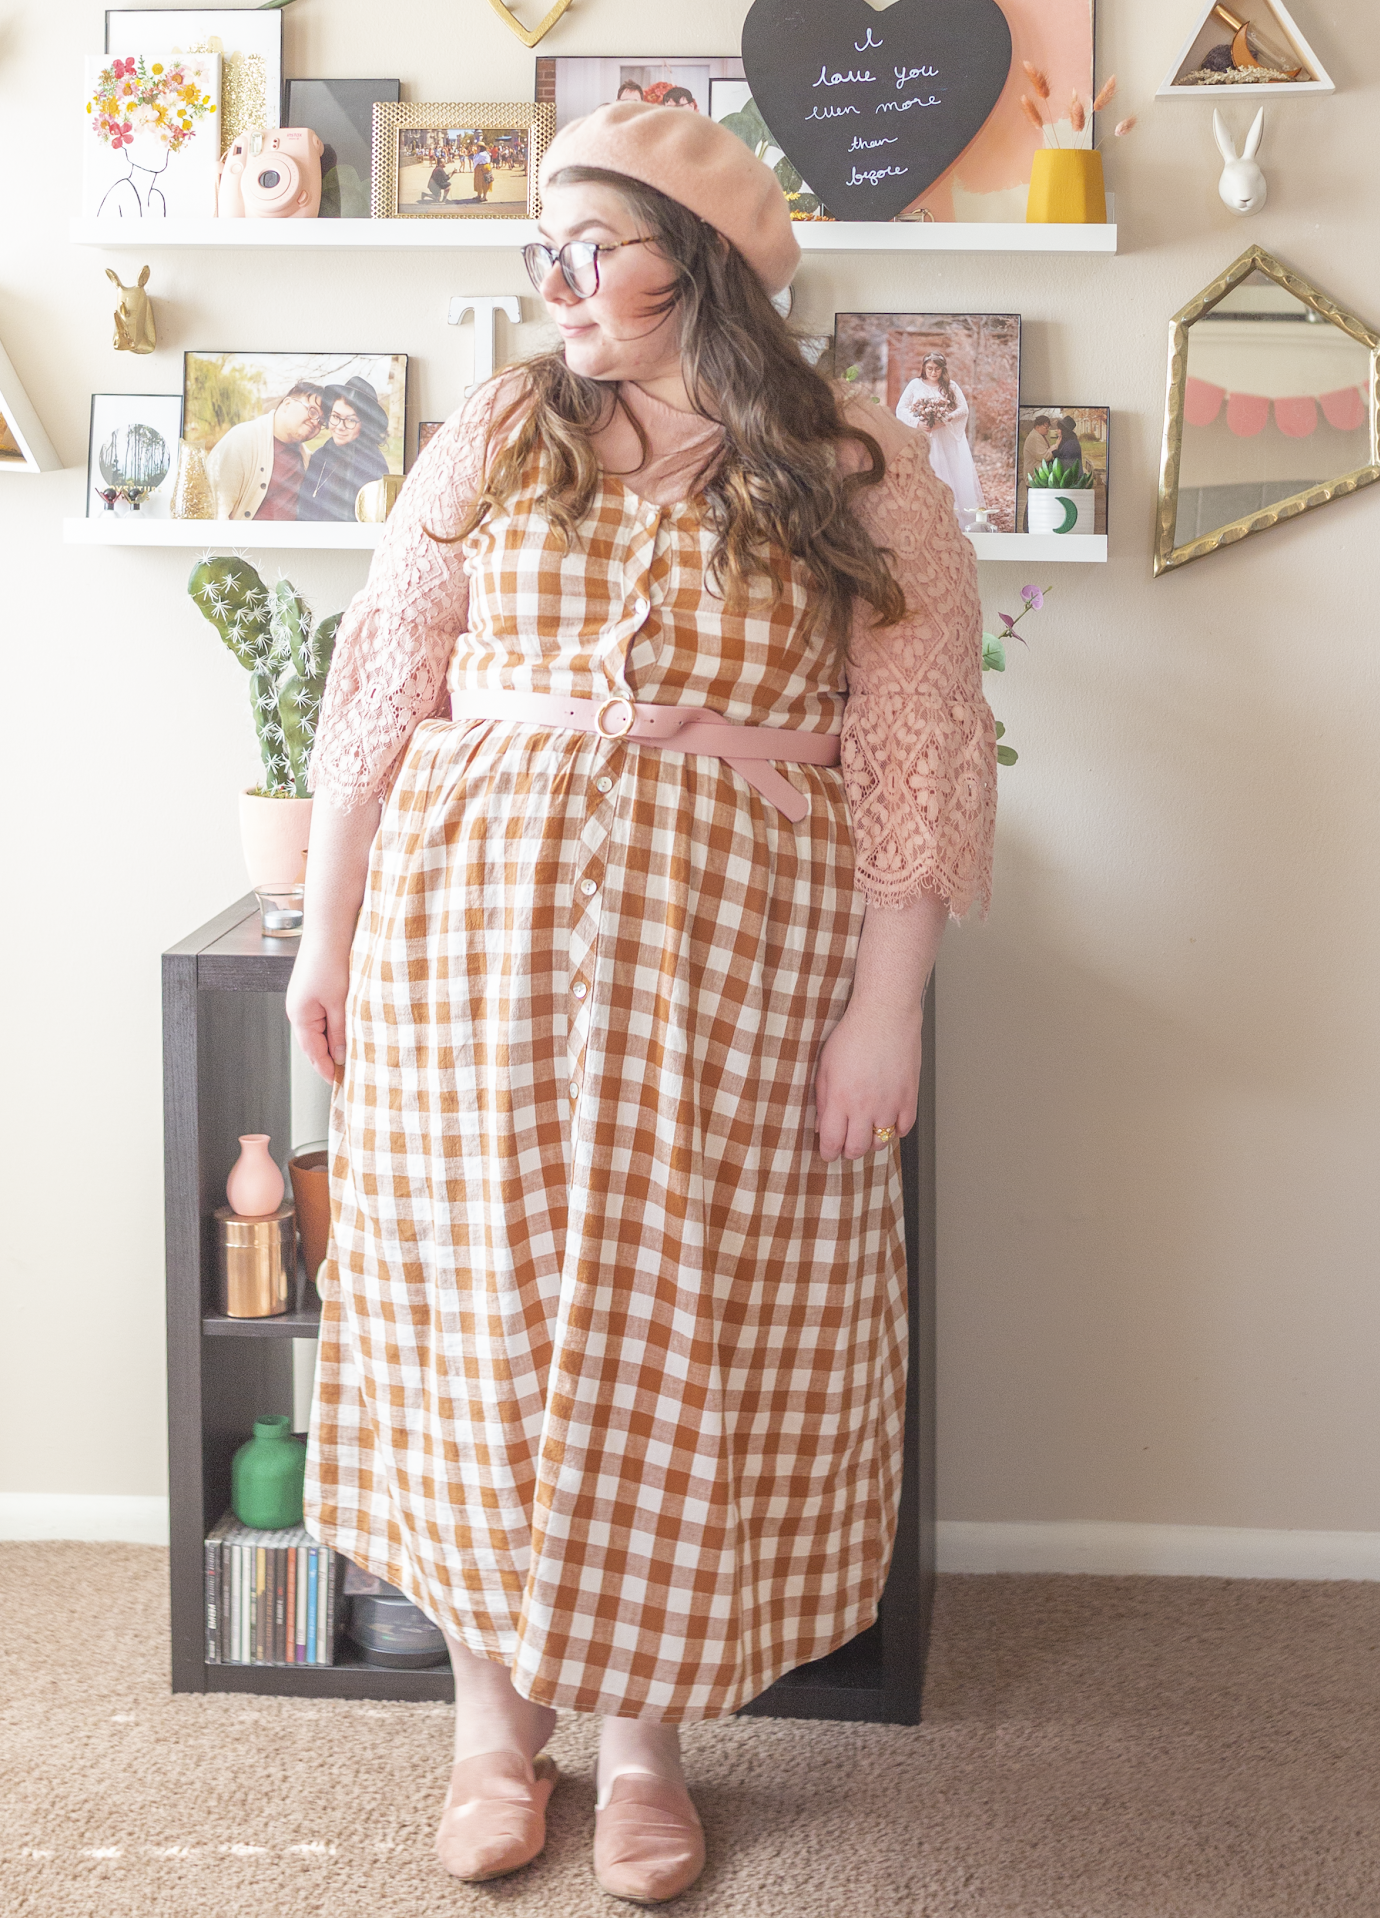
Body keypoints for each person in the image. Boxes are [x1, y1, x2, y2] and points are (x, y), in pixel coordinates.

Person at [288, 103, 996, 1902]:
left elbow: (914, 748)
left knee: (676, 1331)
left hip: (733, 965)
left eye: (587, 249)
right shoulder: (504, 426)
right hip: (472, 950)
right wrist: (322, 930)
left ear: (710, 263)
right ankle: (485, 1732)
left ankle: (638, 1745)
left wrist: (883, 1008)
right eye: (540, 253)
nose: (555, 286)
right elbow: (387, 680)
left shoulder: (854, 466)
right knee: (481, 1324)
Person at [207, 381, 324, 522]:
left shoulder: (308, 459)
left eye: (322, 421)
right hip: (244, 543)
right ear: (287, 404)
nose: (316, 422)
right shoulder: (242, 440)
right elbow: (215, 510)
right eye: (312, 411)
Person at [896, 352, 984, 530]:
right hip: (922, 436)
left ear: (942, 370)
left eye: (937, 369)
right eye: (929, 368)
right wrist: (918, 422)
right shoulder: (915, 384)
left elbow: (963, 409)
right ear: (924, 368)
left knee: (948, 474)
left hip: (945, 437)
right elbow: (901, 408)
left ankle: (951, 520)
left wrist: (944, 420)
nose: (933, 372)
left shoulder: (950, 386)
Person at [296, 375, 391, 522]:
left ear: (365, 425)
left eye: (351, 420)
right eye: (335, 416)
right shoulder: (320, 456)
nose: (340, 426)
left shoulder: (372, 464)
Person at [1020, 413, 1056, 527]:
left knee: (1034, 502)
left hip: (1036, 475)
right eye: (1046, 427)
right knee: (1033, 502)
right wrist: (1054, 448)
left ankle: (1030, 527)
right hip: (1034, 476)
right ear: (1037, 427)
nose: (1048, 429)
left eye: (1048, 427)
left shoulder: (1039, 436)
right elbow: (1045, 456)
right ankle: (1027, 527)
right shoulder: (1035, 437)